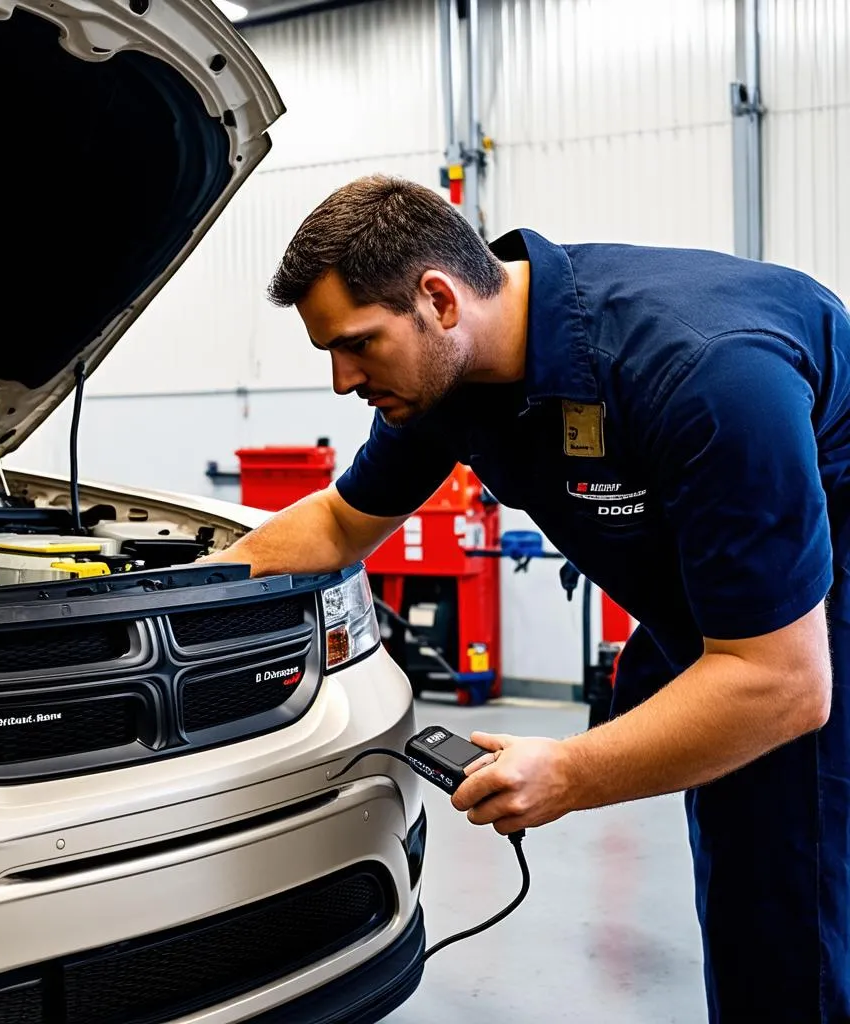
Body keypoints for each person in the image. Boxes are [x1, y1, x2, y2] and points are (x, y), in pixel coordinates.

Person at [202, 174, 850, 1023]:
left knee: (780, 904)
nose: (340, 379)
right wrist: (182, 587)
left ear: (437, 298)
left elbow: (783, 681)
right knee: (740, 870)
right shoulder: (447, 376)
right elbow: (335, 524)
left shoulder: (705, 374)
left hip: (811, 617)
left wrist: (569, 774)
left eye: (357, 344)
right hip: (710, 604)